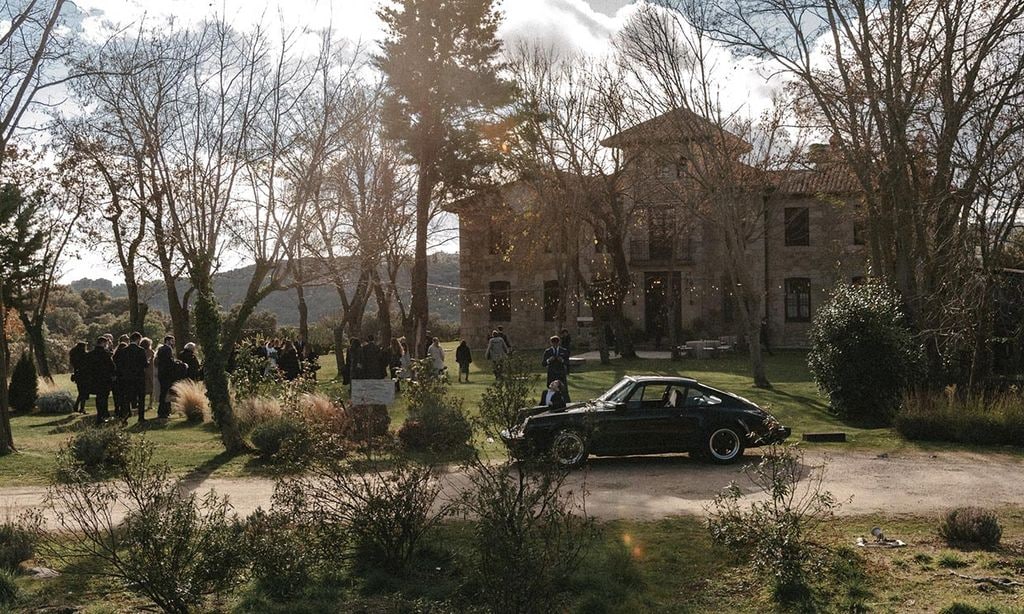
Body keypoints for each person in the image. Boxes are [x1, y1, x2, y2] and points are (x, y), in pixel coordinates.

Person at [116, 332, 150, 423]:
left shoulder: (124, 350)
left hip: (127, 377)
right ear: (138, 339)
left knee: (127, 398)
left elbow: (120, 364)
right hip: (139, 377)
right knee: (141, 397)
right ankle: (141, 417)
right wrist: (148, 361)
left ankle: (125, 417)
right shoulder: (141, 350)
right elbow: (145, 365)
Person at [81, 336, 116, 424]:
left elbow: (85, 367)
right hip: (104, 379)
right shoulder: (105, 354)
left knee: (98, 398)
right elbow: (112, 367)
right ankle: (103, 415)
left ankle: (100, 416)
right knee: (104, 398)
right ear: (104, 343)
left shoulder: (90, 354)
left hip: (94, 379)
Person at [156, 335, 181, 419]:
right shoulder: (168, 349)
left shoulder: (160, 349)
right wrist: (177, 364)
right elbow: (169, 362)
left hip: (161, 373)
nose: (173, 343)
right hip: (166, 374)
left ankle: (164, 410)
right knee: (165, 393)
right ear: (167, 341)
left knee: (163, 392)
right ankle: (163, 411)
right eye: (172, 341)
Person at [542, 335, 570, 400]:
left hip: (561, 373)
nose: (555, 344)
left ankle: (566, 402)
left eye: (556, 342)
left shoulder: (563, 351)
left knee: (563, 390)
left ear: (558, 342)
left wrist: (562, 360)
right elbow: (543, 364)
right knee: (552, 389)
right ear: (551, 343)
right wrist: (549, 360)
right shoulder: (548, 351)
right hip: (552, 373)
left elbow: (567, 362)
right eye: (553, 342)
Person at [111, 334, 130, 419]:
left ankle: (117, 409)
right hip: (125, 377)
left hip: (116, 377)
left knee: (117, 395)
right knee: (125, 395)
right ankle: (126, 410)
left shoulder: (115, 356)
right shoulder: (126, 355)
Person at [69, 341, 89, 414]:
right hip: (84, 375)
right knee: (83, 392)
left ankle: (77, 406)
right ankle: (81, 408)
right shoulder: (84, 355)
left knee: (81, 392)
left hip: (78, 375)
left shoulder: (74, 356)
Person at [141, 337, 156, 413]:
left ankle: (141, 403)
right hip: (151, 371)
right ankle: (150, 404)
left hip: (143, 372)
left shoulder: (141, 351)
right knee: (152, 389)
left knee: (143, 388)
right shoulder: (151, 352)